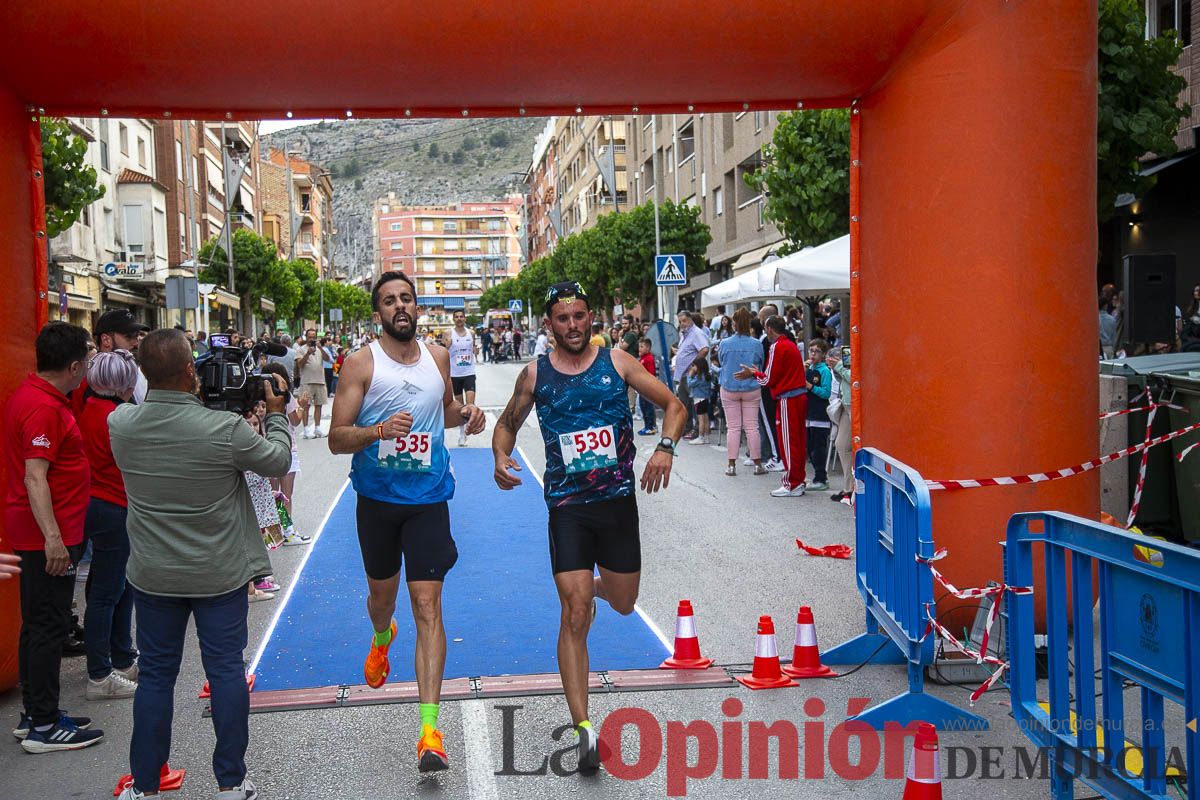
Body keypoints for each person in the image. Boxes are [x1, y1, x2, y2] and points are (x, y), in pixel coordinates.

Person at [491, 280, 686, 772]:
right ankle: (583, 730)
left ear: (590, 316)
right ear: (549, 324)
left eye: (580, 316)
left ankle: (599, 589)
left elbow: (675, 406)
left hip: (617, 505)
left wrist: (664, 448)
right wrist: (499, 455)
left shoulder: (617, 362)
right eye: (563, 318)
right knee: (574, 611)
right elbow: (508, 424)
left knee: (622, 603)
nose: (573, 325)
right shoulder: (535, 375)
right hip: (567, 507)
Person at [109, 329, 293, 800]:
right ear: (191, 371)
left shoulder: (122, 425)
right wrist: (274, 415)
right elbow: (276, 461)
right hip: (219, 573)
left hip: (154, 575)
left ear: (144, 374)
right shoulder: (224, 430)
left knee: (156, 676)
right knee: (226, 672)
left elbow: (136, 405)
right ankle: (231, 782)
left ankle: (144, 784)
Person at [329, 271, 486, 773]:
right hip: (377, 500)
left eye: (407, 299)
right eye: (389, 301)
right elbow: (336, 438)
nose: (400, 306)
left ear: (417, 308)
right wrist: (377, 430)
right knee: (383, 598)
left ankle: (429, 731)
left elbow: (443, 413)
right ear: (378, 313)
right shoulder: (361, 364)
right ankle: (381, 637)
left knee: (427, 604)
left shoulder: (439, 357)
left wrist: (468, 416)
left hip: (428, 498)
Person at [3, 322, 102, 752]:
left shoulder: (38, 396)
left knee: (38, 624)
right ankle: (43, 724)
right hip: (46, 536)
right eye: (89, 358)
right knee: (48, 625)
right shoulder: (42, 407)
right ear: (75, 365)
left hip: (44, 531)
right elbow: (34, 475)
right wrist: (54, 539)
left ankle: (36, 713)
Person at [78, 349, 140, 701]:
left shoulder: (88, 409)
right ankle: (100, 674)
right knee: (107, 591)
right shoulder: (119, 417)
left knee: (118, 585)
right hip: (114, 503)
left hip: (96, 502)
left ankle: (122, 657)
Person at [736, 316, 810, 497]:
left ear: (769, 329)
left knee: (788, 442)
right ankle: (798, 480)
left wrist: (753, 374)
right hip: (798, 396)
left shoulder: (777, 346)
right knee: (797, 441)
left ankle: (791, 483)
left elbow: (768, 379)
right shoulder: (790, 344)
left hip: (788, 399)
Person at [718, 308, 766, 476]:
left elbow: (721, 360)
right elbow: (761, 363)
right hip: (751, 388)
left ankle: (731, 465)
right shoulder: (757, 344)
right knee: (752, 427)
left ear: (734, 323)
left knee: (733, 428)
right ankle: (758, 464)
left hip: (729, 387)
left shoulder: (724, 343)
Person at [443, 309, 479, 447]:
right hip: (455, 374)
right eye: (456, 317)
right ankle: (462, 433)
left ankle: (467, 431)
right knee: (460, 407)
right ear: (453, 319)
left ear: (465, 319)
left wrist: (476, 351)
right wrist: (448, 344)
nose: (459, 319)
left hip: (469, 372)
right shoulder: (448, 333)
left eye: (461, 317)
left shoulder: (471, 333)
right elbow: (445, 349)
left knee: (470, 405)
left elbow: (474, 349)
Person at [673, 310, 710, 439]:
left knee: (695, 404)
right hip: (682, 375)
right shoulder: (684, 334)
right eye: (680, 321)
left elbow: (704, 349)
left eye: (684, 321)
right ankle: (686, 428)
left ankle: (697, 430)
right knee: (684, 403)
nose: (682, 324)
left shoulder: (696, 333)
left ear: (690, 320)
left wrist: (694, 367)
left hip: (691, 374)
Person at [804, 339, 833, 491]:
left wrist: (810, 386)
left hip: (820, 415)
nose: (813, 354)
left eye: (817, 351)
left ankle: (821, 478)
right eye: (811, 351)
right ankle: (817, 475)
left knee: (818, 448)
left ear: (823, 355)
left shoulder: (824, 371)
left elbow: (826, 392)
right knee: (809, 448)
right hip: (808, 414)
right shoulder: (808, 368)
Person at [828, 345, 855, 503]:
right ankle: (848, 488)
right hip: (846, 403)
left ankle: (853, 489)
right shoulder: (847, 357)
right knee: (841, 444)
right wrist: (835, 368)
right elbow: (843, 379)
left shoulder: (858, 357)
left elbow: (854, 378)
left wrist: (838, 366)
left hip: (854, 405)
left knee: (853, 446)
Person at [297, 328, 330, 438]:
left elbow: (328, 359)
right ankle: (306, 429)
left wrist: (320, 348)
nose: (311, 339)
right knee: (306, 406)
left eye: (313, 337)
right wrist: (308, 353)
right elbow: (300, 364)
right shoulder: (301, 349)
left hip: (320, 381)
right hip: (307, 381)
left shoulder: (320, 349)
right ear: (306, 337)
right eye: (309, 337)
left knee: (319, 405)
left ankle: (317, 427)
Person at [685, 356, 713, 445]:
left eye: (694, 366)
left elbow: (690, 384)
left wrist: (689, 375)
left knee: (701, 419)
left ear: (699, 366)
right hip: (705, 398)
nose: (693, 368)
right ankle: (707, 437)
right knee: (706, 418)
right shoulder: (707, 375)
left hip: (699, 399)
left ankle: (701, 437)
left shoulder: (699, 377)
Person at [636, 337, 659, 436]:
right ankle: (647, 426)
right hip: (642, 387)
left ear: (648, 348)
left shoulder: (648, 359)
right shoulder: (642, 358)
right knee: (643, 406)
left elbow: (651, 373)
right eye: (639, 346)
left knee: (648, 407)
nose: (639, 349)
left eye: (642, 346)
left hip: (647, 387)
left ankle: (651, 426)